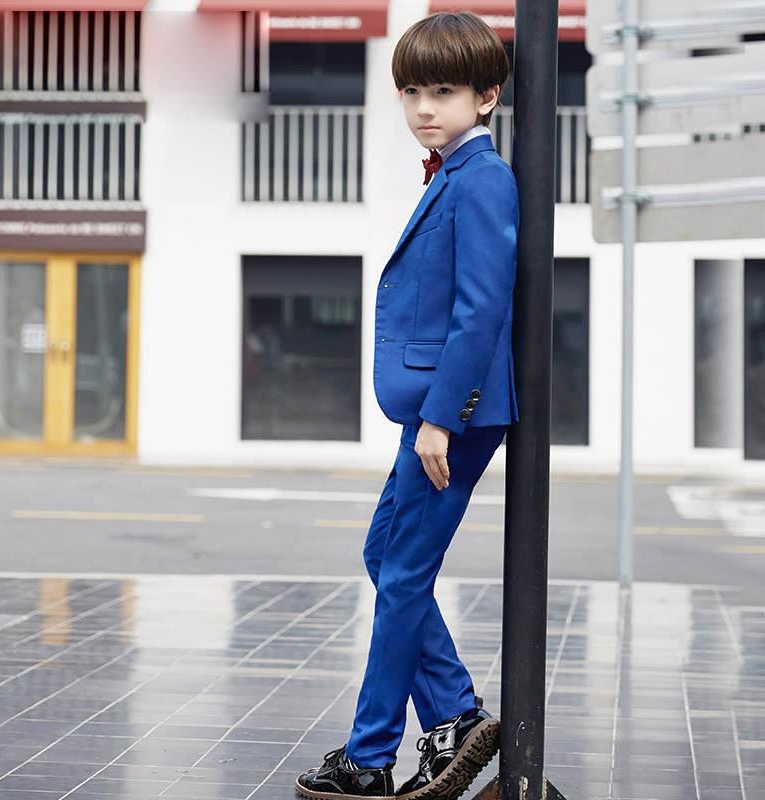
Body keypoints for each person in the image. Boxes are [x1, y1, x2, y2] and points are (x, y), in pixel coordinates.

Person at [295, 11, 519, 800]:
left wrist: (440, 420)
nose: (424, 107)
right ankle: (454, 714)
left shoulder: (483, 179)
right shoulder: (454, 173)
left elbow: (481, 309)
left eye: (444, 91)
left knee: (401, 575)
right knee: (384, 558)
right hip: (435, 413)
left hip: (452, 416)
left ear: (486, 97)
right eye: (412, 92)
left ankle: (368, 759)